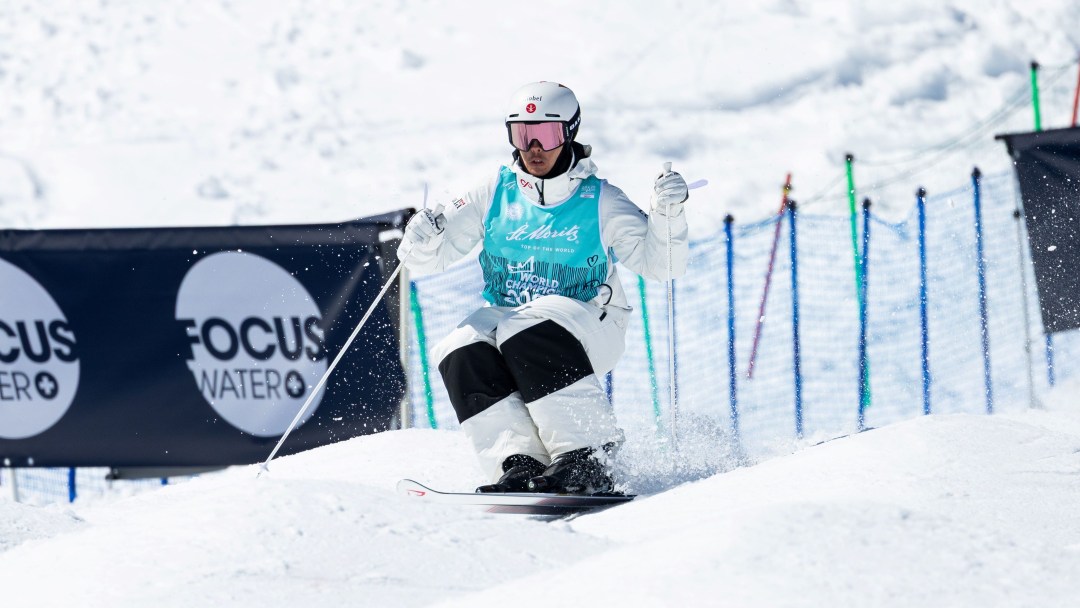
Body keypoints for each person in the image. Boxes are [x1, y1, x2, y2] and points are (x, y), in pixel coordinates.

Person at [397, 81, 690, 495]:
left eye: (546, 134)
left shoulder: (600, 200)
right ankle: (520, 462)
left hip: (590, 322)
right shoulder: (494, 191)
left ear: (569, 132)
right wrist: (420, 239)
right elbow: (426, 261)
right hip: (512, 319)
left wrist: (669, 214)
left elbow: (664, 266)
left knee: (527, 327)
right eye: (522, 134)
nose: (533, 147)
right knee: (459, 346)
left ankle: (588, 458)